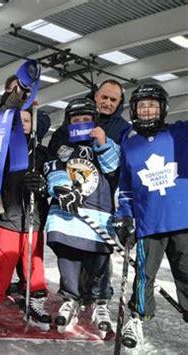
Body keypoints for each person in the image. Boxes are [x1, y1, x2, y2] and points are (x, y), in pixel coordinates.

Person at [113, 83, 188, 349]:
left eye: (152, 105)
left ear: (163, 108)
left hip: (183, 220)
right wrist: (124, 216)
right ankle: (137, 317)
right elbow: (126, 187)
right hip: (149, 223)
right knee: (144, 275)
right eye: (141, 105)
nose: (147, 110)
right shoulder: (129, 145)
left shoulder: (180, 133)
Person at [44, 98, 120, 337]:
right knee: (68, 258)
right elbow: (52, 170)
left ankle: (100, 303)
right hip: (67, 214)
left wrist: (103, 143)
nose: (81, 124)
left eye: (86, 120)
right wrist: (62, 188)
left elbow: (114, 169)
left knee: (98, 260)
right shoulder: (62, 145)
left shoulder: (107, 143)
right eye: (76, 120)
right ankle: (70, 297)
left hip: (97, 212)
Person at [0, 107, 51, 332]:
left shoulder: (41, 153)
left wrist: (42, 185)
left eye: (27, 120)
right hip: (9, 218)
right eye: (18, 121)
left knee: (34, 261)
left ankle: (35, 298)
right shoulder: (3, 151)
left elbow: (52, 179)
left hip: (34, 218)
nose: (23, 124)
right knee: (2, 262)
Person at [48, 79, 130, 156]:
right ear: (96, 96)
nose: (108, 103)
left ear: (119, 101)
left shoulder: (125, 129)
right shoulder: (74, 115)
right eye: (104, 97)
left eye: (113, 100)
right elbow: (54, 148)